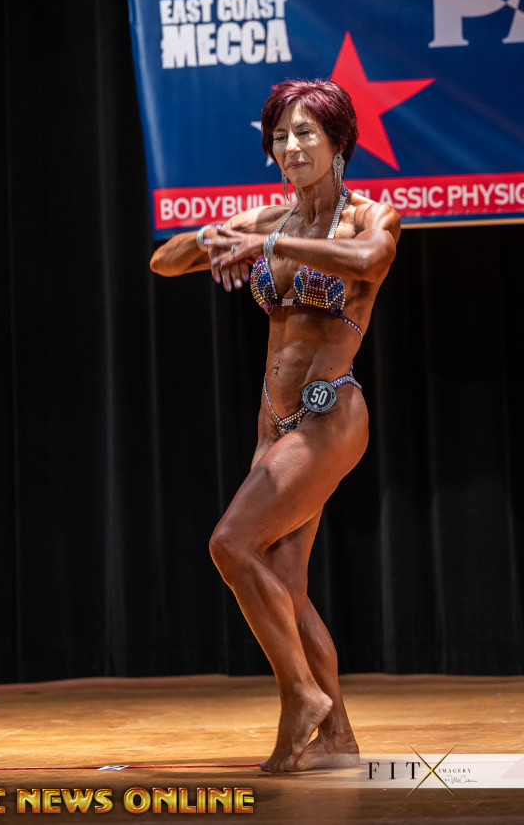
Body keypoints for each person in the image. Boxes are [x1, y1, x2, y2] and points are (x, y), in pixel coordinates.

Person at [150, 79, 400, 773]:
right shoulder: (270, 220)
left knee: (231, 544)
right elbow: (163, 262)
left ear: (338, 141)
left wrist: (272, 242)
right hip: (274, 424)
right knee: (283, 580)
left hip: (331, 414)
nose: (290, 146)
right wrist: (214, 237)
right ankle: (338, 735)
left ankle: (301, 696)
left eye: (305, 133)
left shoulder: (371, 217)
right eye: (281, 135)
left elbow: (368, 262)